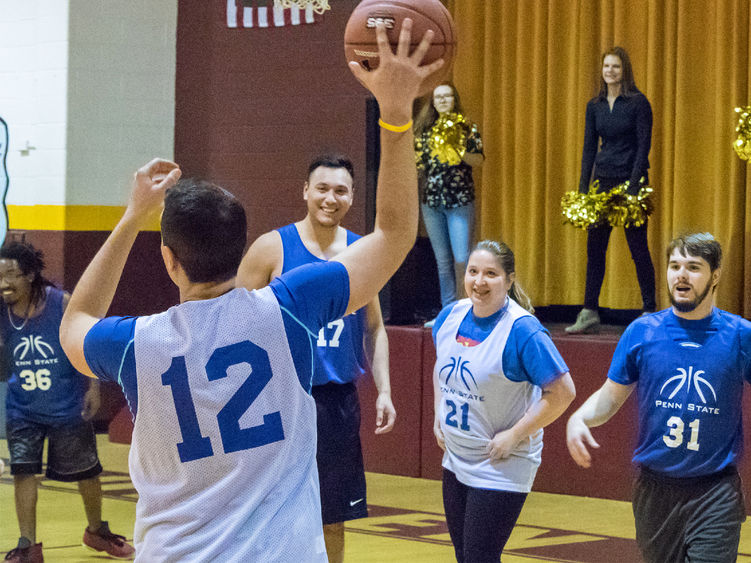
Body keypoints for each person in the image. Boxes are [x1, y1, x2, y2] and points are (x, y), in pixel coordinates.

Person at [58, 21, 443, 562]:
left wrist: (131, 218)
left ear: (168, 260)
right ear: (243, 252)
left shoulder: (135, 345)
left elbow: (73, 321)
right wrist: (397, 112)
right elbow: (398, 233)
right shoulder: (290, 308)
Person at [237, 154, 394, 562]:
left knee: (332, 514)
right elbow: (231, 322)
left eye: (340, 190)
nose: (330, 198)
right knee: (267, 509)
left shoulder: (363, 252)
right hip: (277, 402)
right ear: (305, 191)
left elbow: (374, 327)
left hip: (336, 402)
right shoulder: (272, 248)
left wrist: (385, 390)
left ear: (352, 196)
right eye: (322, 188)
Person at [566, 232, 750, 562]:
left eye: (694, 267)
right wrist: (579, 417)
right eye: (674, 265)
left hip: (715, 492)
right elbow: (609, 397)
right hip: (654, 492)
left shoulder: (739, 335)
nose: (681, 274)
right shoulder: (643, 332)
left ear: (715, 276)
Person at [432, 240, 575, 562]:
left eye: (491, 274)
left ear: (509, 280)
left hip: (501, 464)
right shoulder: (449, 317)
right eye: (473, 272)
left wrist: (515, 435)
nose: (479, 281)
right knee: (464, 556)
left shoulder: (523, 330)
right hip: (456, 457)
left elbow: (563, 392)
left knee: (480, 558)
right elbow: (441, 370)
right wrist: (437, 414)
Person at [0, 241, 135, 563]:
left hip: (66, 404)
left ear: (31, 275)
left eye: (11, 275)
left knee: (87, 472)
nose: (3, 283)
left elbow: (85, 344)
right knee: (23, 472)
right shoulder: (1, 312)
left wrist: (94, 388)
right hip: (22, 407)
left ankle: (97, 531)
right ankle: (27, 545)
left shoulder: (62, 304)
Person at [566, 46, 656, 334]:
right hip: (602, 183)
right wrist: (583, 189)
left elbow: (644, 146)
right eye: (606, 66)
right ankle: (589, 311)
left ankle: (649, 310)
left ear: (624, 70)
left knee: (638, 248)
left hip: (631, 182)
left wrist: (632, 186)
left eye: (615, 67)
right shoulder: (595, 105)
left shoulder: (639, 103)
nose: (610, 71)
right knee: (595, 250)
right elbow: (589, 147)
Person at [414, 82, 484, 325]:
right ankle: (448, 312)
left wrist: (457, 149)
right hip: (431, 201)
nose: (443, 100)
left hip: (459, 200)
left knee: (462, 258)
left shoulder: (467, 127)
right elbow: (417, 165)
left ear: (455, 99)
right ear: (433, 102)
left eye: (448, 96)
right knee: (442, 261)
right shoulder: (424, 131)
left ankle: (469, 310)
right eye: (438, 97)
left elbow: (478, 160)